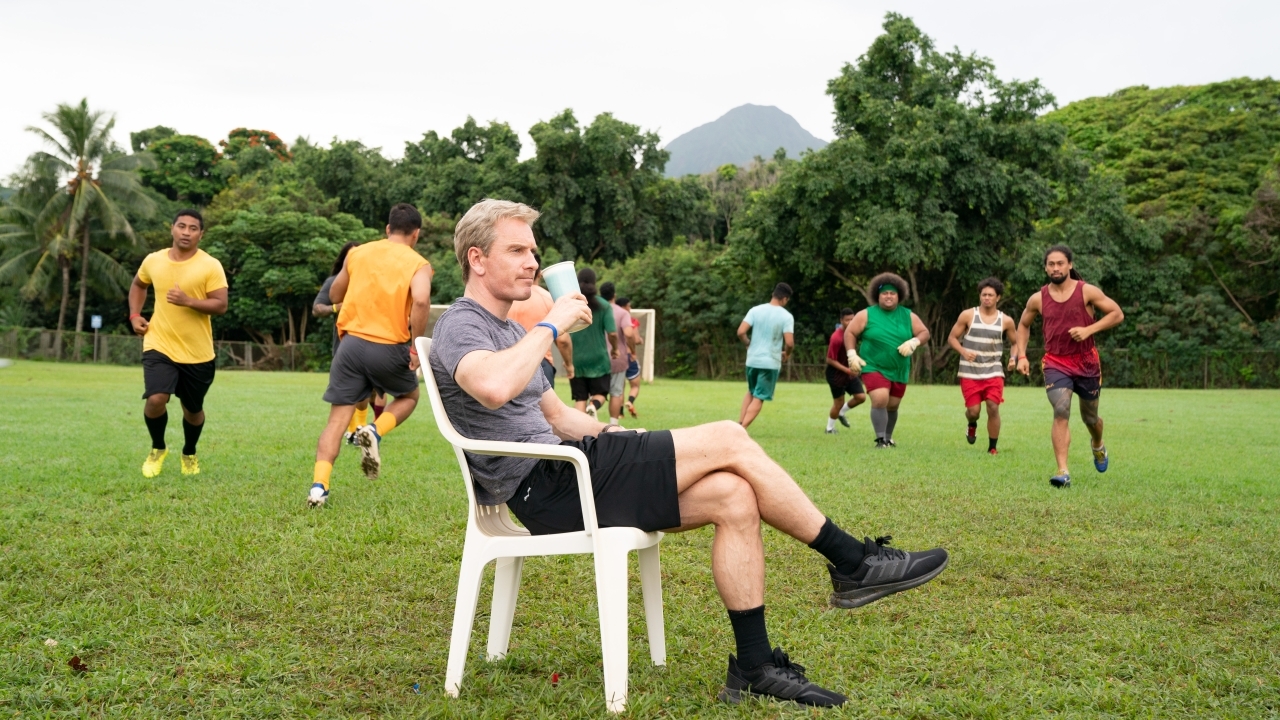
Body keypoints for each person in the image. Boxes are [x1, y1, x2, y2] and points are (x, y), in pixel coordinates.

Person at [429, 199, 948, 708]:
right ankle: (851, 561)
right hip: (550, 486)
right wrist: (550, 326)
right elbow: (493, 387)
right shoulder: (462, 324)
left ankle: (754, 666)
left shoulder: (506, 328)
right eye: (517, 250)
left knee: (733, 494)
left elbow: (560, 418)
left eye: (533, 250)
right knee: (728, 435)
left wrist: (618, 433)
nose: (533, 262)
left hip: (578, 466)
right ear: (477, 258)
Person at [307, 204, 433, 507]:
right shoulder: (419, 263)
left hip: (349, 346)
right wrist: (415, 346)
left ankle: (318, 487)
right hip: (389, 347)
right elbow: (422, 299)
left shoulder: (358, 253)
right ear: (416, 234)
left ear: (387, 229)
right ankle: (374, 431)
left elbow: (335, 295)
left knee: (336, 421)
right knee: (409, 397)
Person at [1012, 245, 1124, 488]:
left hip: (1086, 362)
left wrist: (1089, 330)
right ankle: (1063, 471)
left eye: (1060, 263)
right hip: (1056, 361)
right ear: (1045, 268)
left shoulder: (1087, 292)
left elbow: (1117, 314)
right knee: (1061, 409)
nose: (1055, 268)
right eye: (1051, 264)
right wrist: (1021, 355)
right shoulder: (1038, 298)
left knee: (1090, 417)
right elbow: (1023, 325)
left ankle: (1097, 444)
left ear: (1070, 265)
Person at [128, 209, 228, 478]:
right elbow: (139, 285)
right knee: (156, 398)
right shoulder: (154, 260)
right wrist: (135, 315)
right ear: (172, 229)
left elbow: (220, 304)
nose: (186, 232)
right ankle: (158, 448)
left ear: (201, 234)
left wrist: (188, 301)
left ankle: (189, 452)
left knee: (193, 411)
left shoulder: (210, 265)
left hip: (198, 353)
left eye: (193, 228)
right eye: (181, 226)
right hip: (158, 343)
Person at [843, 274, 931, 449]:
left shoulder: (908, 315)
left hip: (899, 368)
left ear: (899, 295)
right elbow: (850, 333)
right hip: (873, 366)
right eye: (885, 293)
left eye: (892, 293)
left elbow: (924, 333)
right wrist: (852, 354)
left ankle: (888, 438)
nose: (889, 296)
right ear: (878, 295)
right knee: (880, 399)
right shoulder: (866, 314)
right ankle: (880, 439)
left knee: (892, 405)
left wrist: (914, 342)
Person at [313, 241, 377, 440]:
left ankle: (360, 428)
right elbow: (317, 309)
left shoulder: (372, 281)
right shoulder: (333, 282)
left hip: (370, 342)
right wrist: (336, 307)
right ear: (344, 260)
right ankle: (354, 430)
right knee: (348, 391)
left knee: (368, 389)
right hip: (343, 344)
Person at [947, 278, 1017, 454]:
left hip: (993, 370)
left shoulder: (1006, 321)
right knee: (974, 411)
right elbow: (952, 338)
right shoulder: (968, 315)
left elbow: (1015, 343)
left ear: (998, 297)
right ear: (980, 296)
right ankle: (972, 424)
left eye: (990, 295)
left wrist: (1013, 358)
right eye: (984, 294)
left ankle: (992, 448)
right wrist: (963, 352)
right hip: (969, 372)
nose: (987, 298)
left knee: (993, 407)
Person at [508, 254, 574, 388]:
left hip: (510, 364)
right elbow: (563, 340)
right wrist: (569, 364)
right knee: (543, 409)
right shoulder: (549, 299)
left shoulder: (506, 299)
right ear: (539, 273)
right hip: (541, 363)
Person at [737, 284, 795, 429]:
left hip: (752, 360)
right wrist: (787, 354)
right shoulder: (786, 316)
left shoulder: (755, 310)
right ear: (784, 299)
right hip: (770, 362)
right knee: (759, 397)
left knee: (751, 391)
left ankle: (739, 423)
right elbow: (789, 342)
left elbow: (741, 332)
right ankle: (741, 429)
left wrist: (748, 344)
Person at [568, 267, 619, 419]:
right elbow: (612, 333)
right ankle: (593, 406)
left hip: (576, 359)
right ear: (595, 283)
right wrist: (615, 349)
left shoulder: (571, 304)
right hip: (599, 359)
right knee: (601, 393)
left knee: (580, 398)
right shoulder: (604, 305)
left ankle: (578, 433)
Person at [823, 308, 867, 434]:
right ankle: (829, 428)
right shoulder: (836, 338)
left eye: (852, 319)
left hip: (849, 372)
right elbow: (830, 360)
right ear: (841, 321)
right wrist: (848, 370)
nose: (850, 322)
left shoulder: (855, 333)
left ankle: (842, 412)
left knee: (861, 397)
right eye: (847, 320)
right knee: (838, 403)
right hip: (836, 374)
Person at [600, 281, 637, 426]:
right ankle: (614, 424)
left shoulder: (595, 310)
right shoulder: (622, 313)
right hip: (617, 359)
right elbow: (628, 333)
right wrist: (633, 351)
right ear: (614, 295)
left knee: (596, 392)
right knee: (616, 392)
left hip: (598, 358)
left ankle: (591, 413)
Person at [616, 296, 643, 418]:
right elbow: (634, 338)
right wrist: (639, 341)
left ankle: (620, 413)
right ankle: (630, 401)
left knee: (620, 387)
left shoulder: (612, 320)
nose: (630, 308)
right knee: (635, 385)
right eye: (629, 305)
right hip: (629, 356)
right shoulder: (632, 321)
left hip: (617, 356)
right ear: (625, 307)